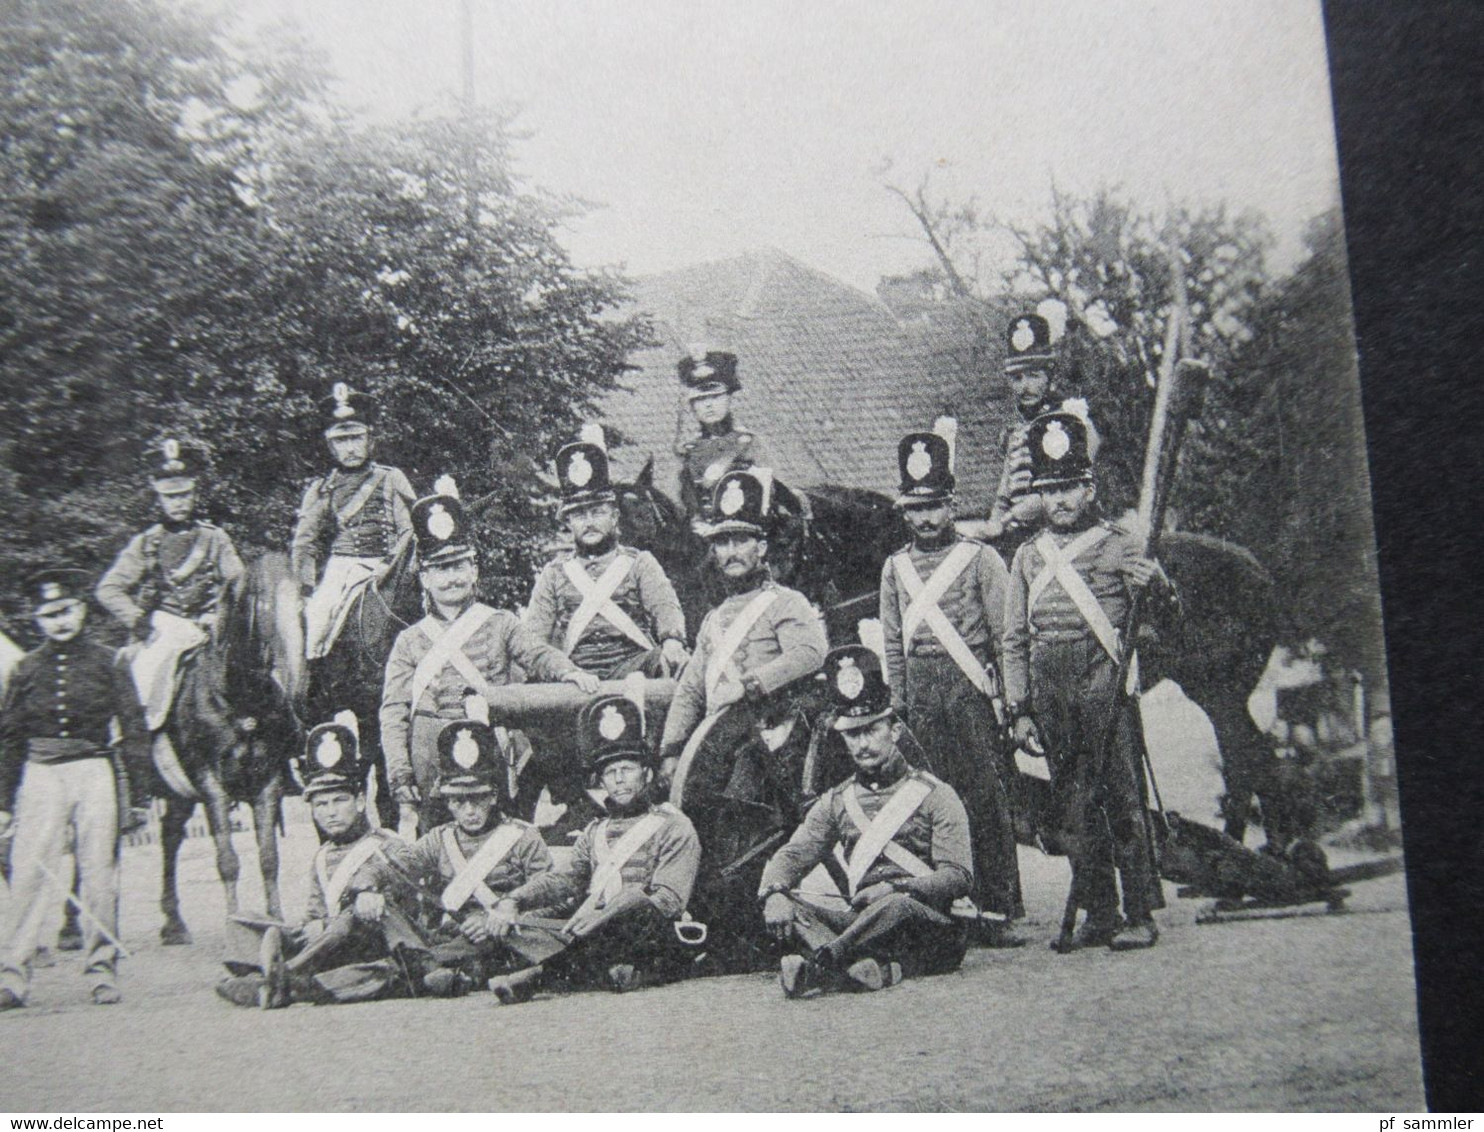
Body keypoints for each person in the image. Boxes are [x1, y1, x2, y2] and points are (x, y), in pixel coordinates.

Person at [1001, 411, 1174, 952]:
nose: (1060, 501)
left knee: (1123, 801)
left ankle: (1140, 912)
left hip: (1107, 691)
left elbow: (1162, 622)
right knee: (1075, 807)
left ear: (1089, 487)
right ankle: (1099, 910)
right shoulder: (1028, 557)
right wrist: (1020, 708)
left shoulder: (1120, 544)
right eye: (1049, 490)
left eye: (1069, 488)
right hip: (1052, 700)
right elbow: (1014, 639)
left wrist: (1161, 586)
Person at [379, 479, 599, 832]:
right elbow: (393, 713)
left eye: (459, 566)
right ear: (424, 578)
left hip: (489, 754)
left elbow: (537, 654)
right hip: (431, 761)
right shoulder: (409, 641)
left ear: (474, 570)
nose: (451, 578)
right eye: (440, 569)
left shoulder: (500, 623)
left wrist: (568, 671)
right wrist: (400, 776)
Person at [879, 418, 1024, 941]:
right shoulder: (895, 568)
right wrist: (897, 704)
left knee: (984, 800)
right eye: (916, 508)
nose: (926, 517)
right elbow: (893, 643)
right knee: (931, 804)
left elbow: (1009, 635)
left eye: (935, 505)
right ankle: (943, 908)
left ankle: (999, 907)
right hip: (920, 698)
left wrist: (1011, 701)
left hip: (969, 694)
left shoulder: (981, 559)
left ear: (952, 503)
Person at [758, 645, 974, 997]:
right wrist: (774, 893)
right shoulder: (836, 801)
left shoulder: (936, 794)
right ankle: (869, 969)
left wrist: (896, 888)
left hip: (928, 925)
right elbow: (791, 856)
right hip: (863, 924)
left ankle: (822, 963)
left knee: (896, 907)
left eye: (872, 729)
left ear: (895, 730)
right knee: (789, 908)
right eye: (853, 734)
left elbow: (958, 876)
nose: (863, 743)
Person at [483, 692, 705, 1002]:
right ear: (601, 781)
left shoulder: (674, 825)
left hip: (650, 930)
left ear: (647, 773)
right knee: (514, 924)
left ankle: (542, 977)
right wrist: (513, 901)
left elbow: (668, 902)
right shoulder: (595, 830)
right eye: (610, 773)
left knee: (634, 904)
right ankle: (608, 971)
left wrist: (602, 918)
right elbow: (565, 879)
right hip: (589, 931)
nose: (619, 780)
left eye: (627, 769)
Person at [0, 569, 148, 1010]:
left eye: (65, 611)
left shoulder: (110, 661)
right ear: (38, 620)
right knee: (27, 874)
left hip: (93, 770)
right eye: (48, 615)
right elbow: (8, 736)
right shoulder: (27, 668)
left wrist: (139, 796)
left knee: (99, 873)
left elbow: (135, 728)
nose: (59, 621)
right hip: (40, 774)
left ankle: (102, 970)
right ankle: (13, 976)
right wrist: (4, 802)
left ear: (82, 609)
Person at [215, 714, 436, 1008]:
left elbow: (403, 868)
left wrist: (365, 891)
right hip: (330, 949)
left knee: (356, 930)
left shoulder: (387, 844)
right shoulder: (322, 857)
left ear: (359, 802)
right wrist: (312, 927)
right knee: (242, 923)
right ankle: (278, 975)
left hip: (379, 949)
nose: (330, 812)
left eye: (339, 801)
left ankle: (280, 978)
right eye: (321, 804)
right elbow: (315, 911)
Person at [657, 468, 828, 782]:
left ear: (761, 548)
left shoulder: (786, 602)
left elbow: (810, 654)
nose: (731, 552)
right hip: (719, 742)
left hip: (775, 743)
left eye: (741, 541)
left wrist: (746, 686)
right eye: (723, 543)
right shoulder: (713, 620)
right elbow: (691, 691)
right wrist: (671, 750)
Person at [402, 697, 554, 994]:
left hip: (509, 933)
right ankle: (457, 973)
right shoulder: (437, 840)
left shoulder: (522, 836)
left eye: (478, 798)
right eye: (459, 801)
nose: (469, 810)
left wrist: (499, 918)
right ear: (447, 802)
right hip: (457, 936)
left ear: (494, 797)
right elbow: (400, 867)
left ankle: (455, 973)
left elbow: (551, 898)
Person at [96, 440, 244, 732]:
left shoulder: (214, 539)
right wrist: (138, 621)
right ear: (158, 499)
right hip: (164, 626)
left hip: (211, 625)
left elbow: (238, 581)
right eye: (170, 496)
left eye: (185, 494)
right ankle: (139, 739)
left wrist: (223, 613)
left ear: (194, 494)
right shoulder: (147, 543)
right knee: (144, 680)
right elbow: (108, 588)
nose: (179, 503)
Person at [524, 425, 688, 680]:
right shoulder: (554, 574)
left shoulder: (640, 563)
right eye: (579, 514)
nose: (588, 522)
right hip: (575, 675)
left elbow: (665, 606)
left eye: (597, 512)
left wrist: (672, 640)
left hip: (636, 668)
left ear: (614, 516)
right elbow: (532, 639)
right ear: (567, 522)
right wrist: (563, 671)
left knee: (675, 665)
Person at [291, 383, 415, 660]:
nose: (350, 448)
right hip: (342, 567)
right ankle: (309, 684)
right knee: (317, 618)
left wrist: (388, 564)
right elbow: (305, 542)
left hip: (386, 564)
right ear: (331, 446)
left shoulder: (391, 478)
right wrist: (305, 587)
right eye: (341, 441)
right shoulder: (323, 489)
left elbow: (408, 529)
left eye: (356, 438)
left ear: (369, 440)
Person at [985, 312, 1100, 548]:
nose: (1024, 387)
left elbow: (1050, 495)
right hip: (1019, 539)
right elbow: (1003, 497)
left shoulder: (1073, 424)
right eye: (1017, 379)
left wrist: (1006, 519)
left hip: (1063, 537)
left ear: (1051, 378)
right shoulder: (1015, 433)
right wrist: (992, 526)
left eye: (1033, 376)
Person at [674, 350, 774, 522]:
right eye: (700, 399)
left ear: (729, 398)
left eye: (715, 396)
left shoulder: (747, 444)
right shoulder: (689, 451)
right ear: (692, 406)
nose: (708, 405)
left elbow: (765, 497)